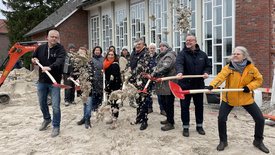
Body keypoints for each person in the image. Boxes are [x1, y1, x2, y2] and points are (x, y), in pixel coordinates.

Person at [207, 46, 269, 153]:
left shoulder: (251, 68)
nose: (235, 55)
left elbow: (259, 80)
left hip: (246, 98)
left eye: (237, 54)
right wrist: (212, 86)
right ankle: (223, 141)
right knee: (221, 118)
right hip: (229, 98)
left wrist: (249, 87)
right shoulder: (228, 67)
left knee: (260, 119)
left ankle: (258, 141)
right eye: (234, 53)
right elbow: (220, 77)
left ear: (244, 56)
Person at [175, 34, 211, 137]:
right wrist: (180, 72)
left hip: (198, 85)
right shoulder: (182, 54)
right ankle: (185, 127)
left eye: (190, 40)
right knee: (185, 107)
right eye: (187, 41)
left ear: (195, 41)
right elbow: (179, 64)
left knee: (199, 107)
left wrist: (206, 72)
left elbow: (208, 66)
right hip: (185, 85)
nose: (188, 42)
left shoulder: (202, 55)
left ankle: (199, 126)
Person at [32, 30, 66, 137]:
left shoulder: (60, 49)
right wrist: (34, 60)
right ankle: (47, 119)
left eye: (56, 37)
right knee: (42, 103)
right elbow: (33, 58)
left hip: (54, 82)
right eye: (52, 37)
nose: (54, 39)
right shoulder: (40, 48)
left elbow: (60, 61)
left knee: (55, 106)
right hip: (42, 81)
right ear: (47, 37)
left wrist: (50, 67)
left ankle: (56, 126)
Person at [151, 42, 177, 131]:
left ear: (167, 47)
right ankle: (169, 119)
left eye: (163, 46)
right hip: (164, 84)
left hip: (169, 84)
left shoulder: (169, 55)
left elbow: (166, 67)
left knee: (169, 103)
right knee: (164, 102)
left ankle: (171, 123)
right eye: (160, 46)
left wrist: (155, 73)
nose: (161, 48)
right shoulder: (163, 56)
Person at [129, 38, 151, 130]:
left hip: (143, 81)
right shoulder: (133, 53)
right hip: (135, 81)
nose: (137, 46)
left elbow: (141, 67)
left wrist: (129, 73)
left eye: (139, 44)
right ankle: (139, 117)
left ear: (143, 44)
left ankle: (145, 120)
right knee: (138, 100)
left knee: (144, 100)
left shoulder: (146, 53)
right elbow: (129, 65)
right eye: (136, 44)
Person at [103, 50, 122, 130]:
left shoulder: (115, 65)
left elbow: (112, 78)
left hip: (115, 87)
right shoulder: (106, 63)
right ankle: (112, 117)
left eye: (112, 55)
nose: (110, 56)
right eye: (109, 54)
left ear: (114, 56)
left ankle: (115, 120)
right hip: (110, 86)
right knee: (111, 103)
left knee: (115, 104)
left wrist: (107, 88)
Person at [75, 47, 93, 129]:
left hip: (88, 87)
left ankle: (87, 119)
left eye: (83, 53)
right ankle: (84, 117)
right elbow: (73, 71)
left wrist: (83, 78)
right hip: (79, 87)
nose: (81, 55)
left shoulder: (90, 62)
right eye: (80, 53)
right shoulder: (76, 62)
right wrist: (72, 77)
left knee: (88, 103)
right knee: (84, 103)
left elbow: (92, 73)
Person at [147, 43, 166, 116]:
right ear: (149, 49)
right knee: (149, 94)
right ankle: (150, 107)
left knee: (159, 94)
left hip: (157, 77)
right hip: (149, 77)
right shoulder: (147, 56)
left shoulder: (158, 56)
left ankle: (162, 109)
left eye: (153, 48)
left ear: (155, 49)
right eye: (150, 48)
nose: (152, 50)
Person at [91, 46, 104, 111]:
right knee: (94, 94)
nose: (97, 51)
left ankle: (100, 106)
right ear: (94, 51)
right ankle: (94, 107)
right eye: (96, 50)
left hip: (102, 79)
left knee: (101, 94)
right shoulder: (91, 59)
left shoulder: (103, 59)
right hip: (94, 79)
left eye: (99, 50)